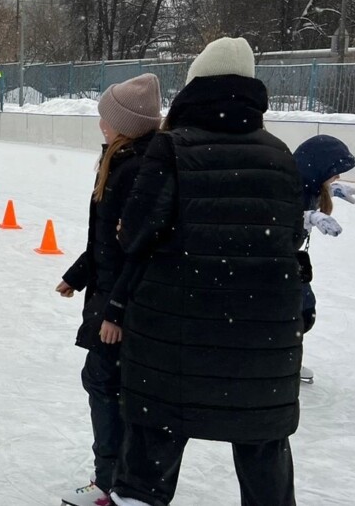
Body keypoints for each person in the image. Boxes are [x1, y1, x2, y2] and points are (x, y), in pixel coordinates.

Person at [108, 38, 304, 506]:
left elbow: (135, 235)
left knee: (150, 456)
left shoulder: (171, 148)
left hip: (173, 337)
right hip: (262, 344)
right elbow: (289, 237)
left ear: (195, 85)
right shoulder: (280, 155)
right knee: (263, 457)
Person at [54, 74, 161, 506]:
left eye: (106, 117)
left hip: (122, 301)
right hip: (111, 293)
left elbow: (137, 249)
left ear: (126, 125)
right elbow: (106, 238)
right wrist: (79, 273)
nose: (101, 123)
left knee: (106, 383)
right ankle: (116, 478)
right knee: (105, 382)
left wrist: (116, 312)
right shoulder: (122, 160)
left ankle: (111, 482)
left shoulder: (135, 167)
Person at [291, 135, 355, 384]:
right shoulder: (291, 185)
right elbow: (277, 217)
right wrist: (308, 217)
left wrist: (330, 191)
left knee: (305, 312)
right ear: (318, 166)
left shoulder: (310, 185)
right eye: (335, 172)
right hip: (273, 261)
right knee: (295, 313)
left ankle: (285, 357)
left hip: (290, 259)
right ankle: (278, 360)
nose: (338, 177)